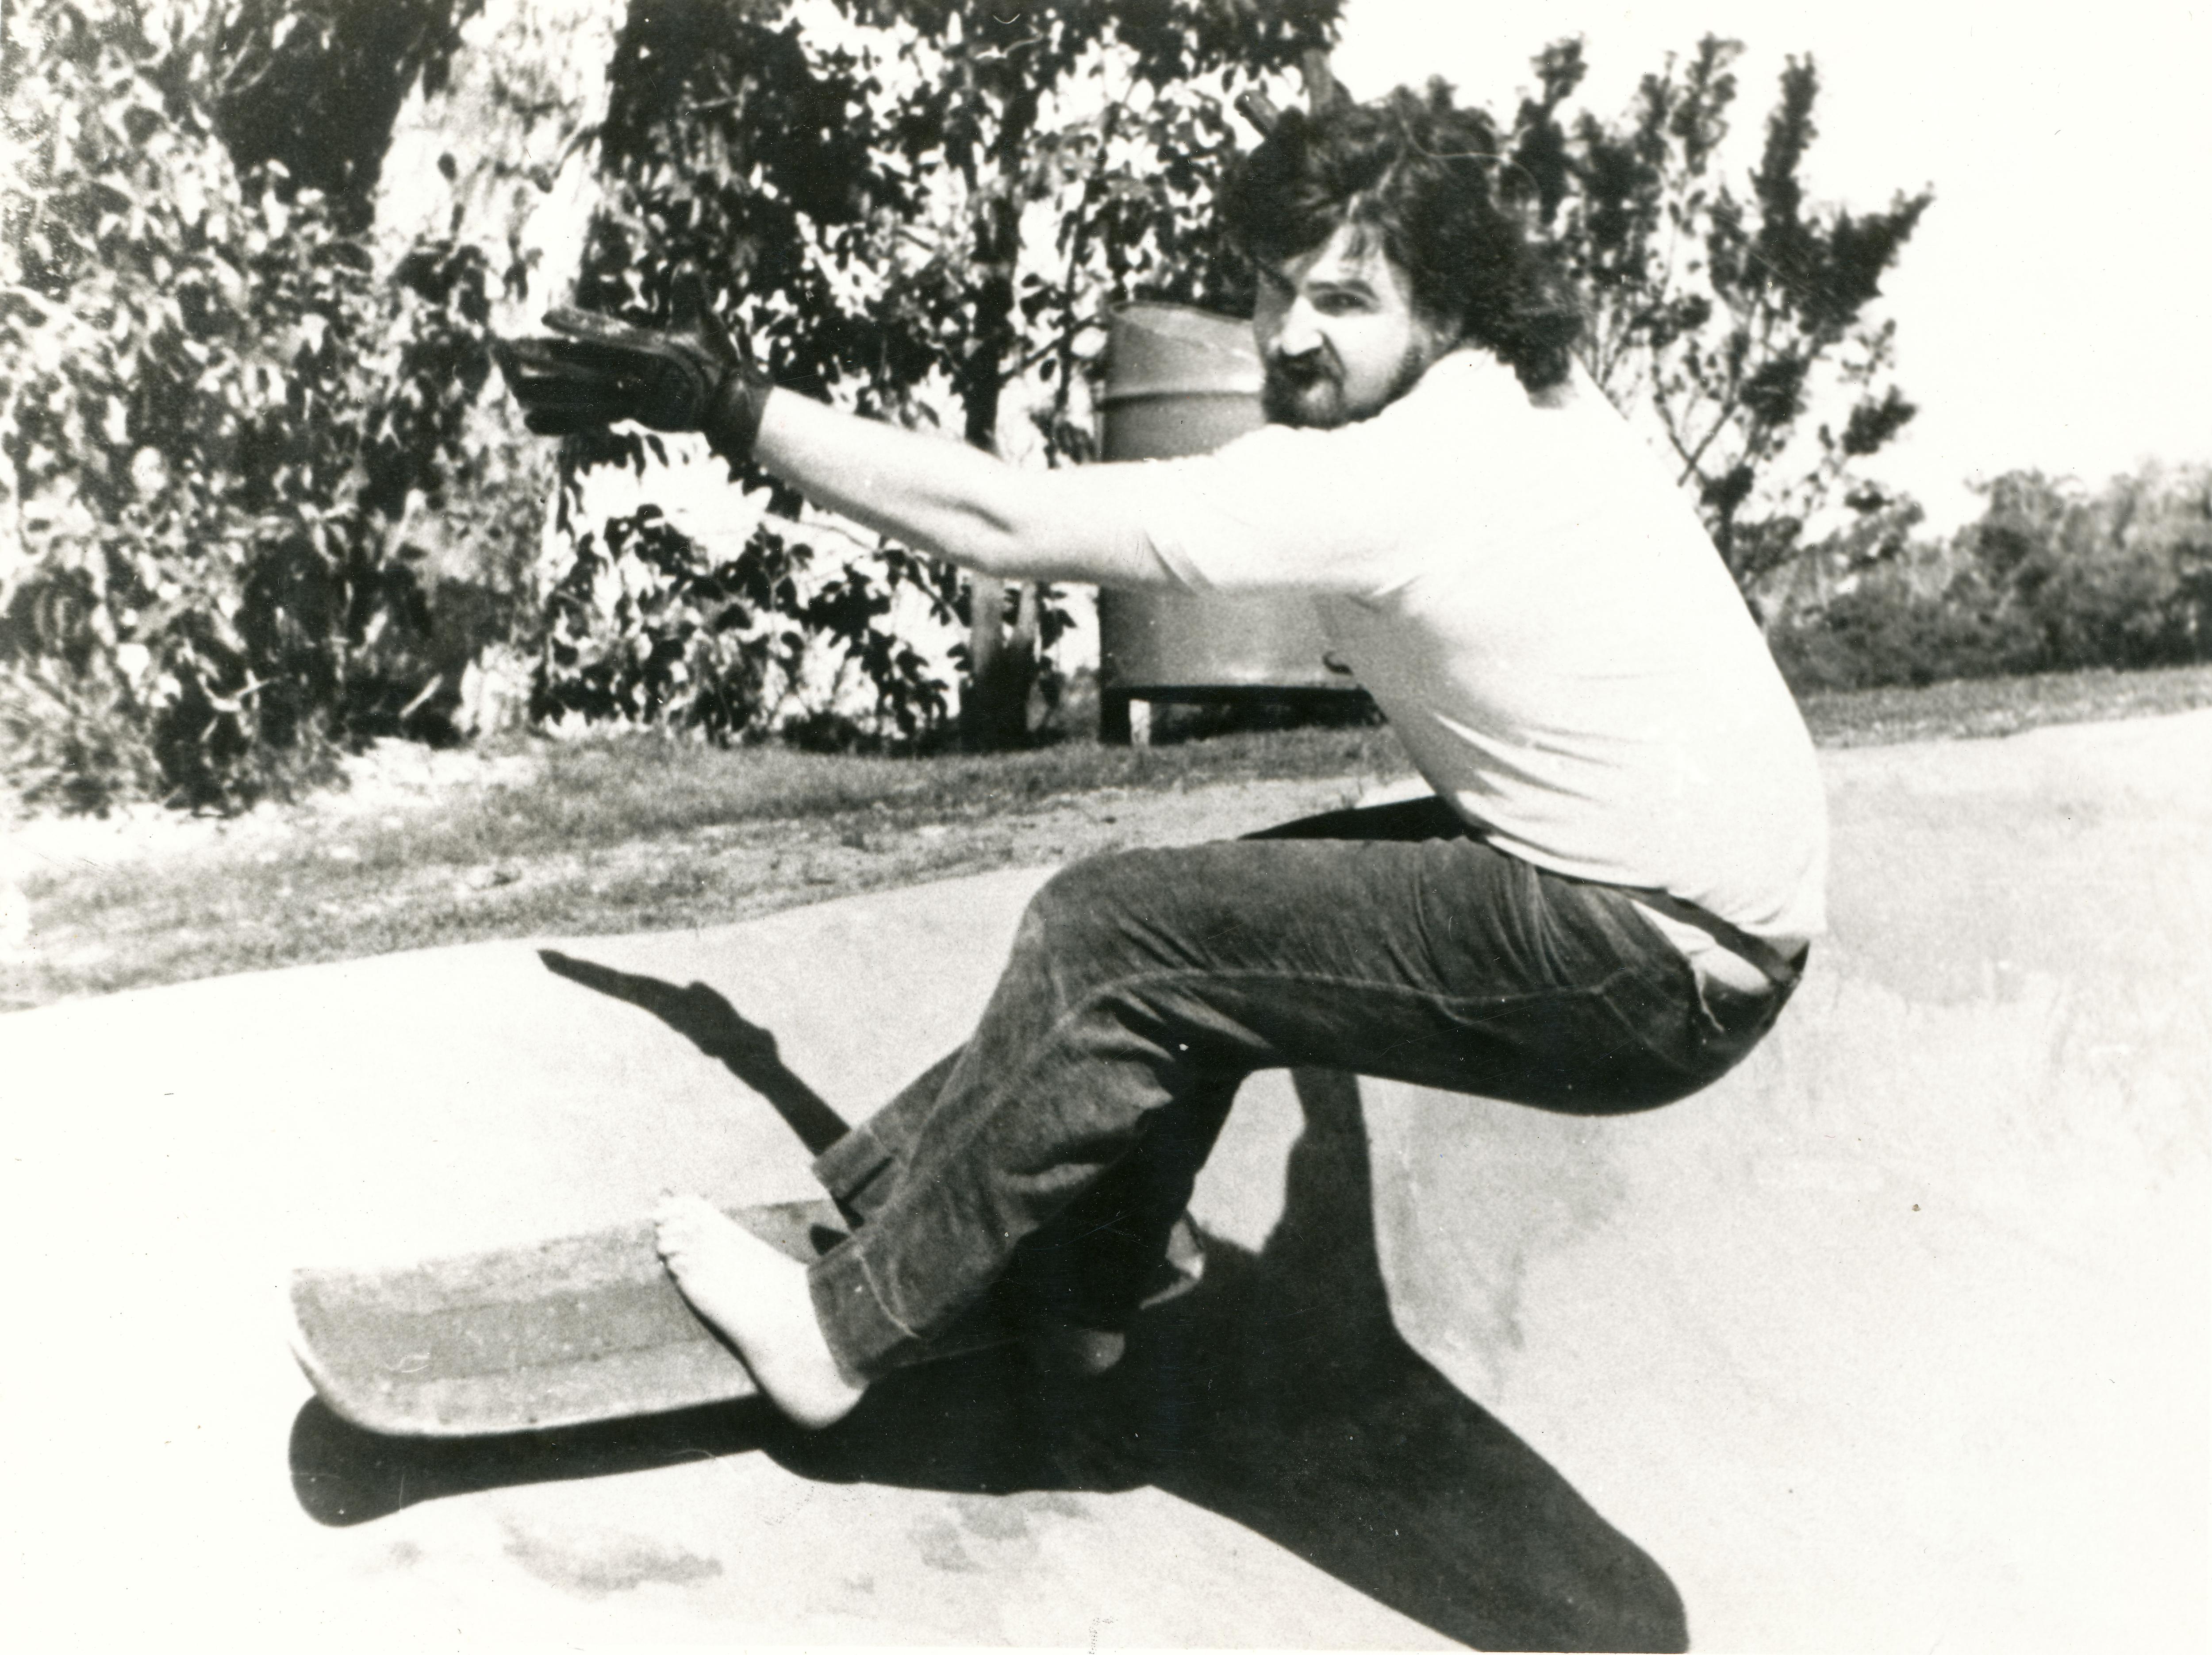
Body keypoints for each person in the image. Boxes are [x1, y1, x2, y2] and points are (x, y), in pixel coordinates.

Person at [494, 85, 1827, 1430]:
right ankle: (1078, 1291)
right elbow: (1420, 211)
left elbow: (1001, 518)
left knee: (1119, 930)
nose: (1292, 334)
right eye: (1271, 288)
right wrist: (1335, 140)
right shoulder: (1534, 383)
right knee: (1205, 942)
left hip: (1640, 957)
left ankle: (837, 1339)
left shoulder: (1389, 472)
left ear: (1443, 306)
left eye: (1346, 304)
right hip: (1702, 925)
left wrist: (726, 401)